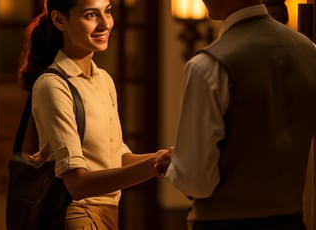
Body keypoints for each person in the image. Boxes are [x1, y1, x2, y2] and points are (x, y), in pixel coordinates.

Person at [17, 0, 171, 229]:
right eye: (91, 15)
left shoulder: (104, 80)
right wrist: (154, 165)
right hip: (78, 215)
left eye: (107, 12)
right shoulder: (52, 85)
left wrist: (165, 157)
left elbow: (115, 157)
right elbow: (77, 185)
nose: (105, 23)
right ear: (60, 20)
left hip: (110, 214)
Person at [165, 0, 316, 229]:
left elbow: (196, 182)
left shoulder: (207, 66)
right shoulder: (309, 51)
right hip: (292, 220)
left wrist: (176, 164)